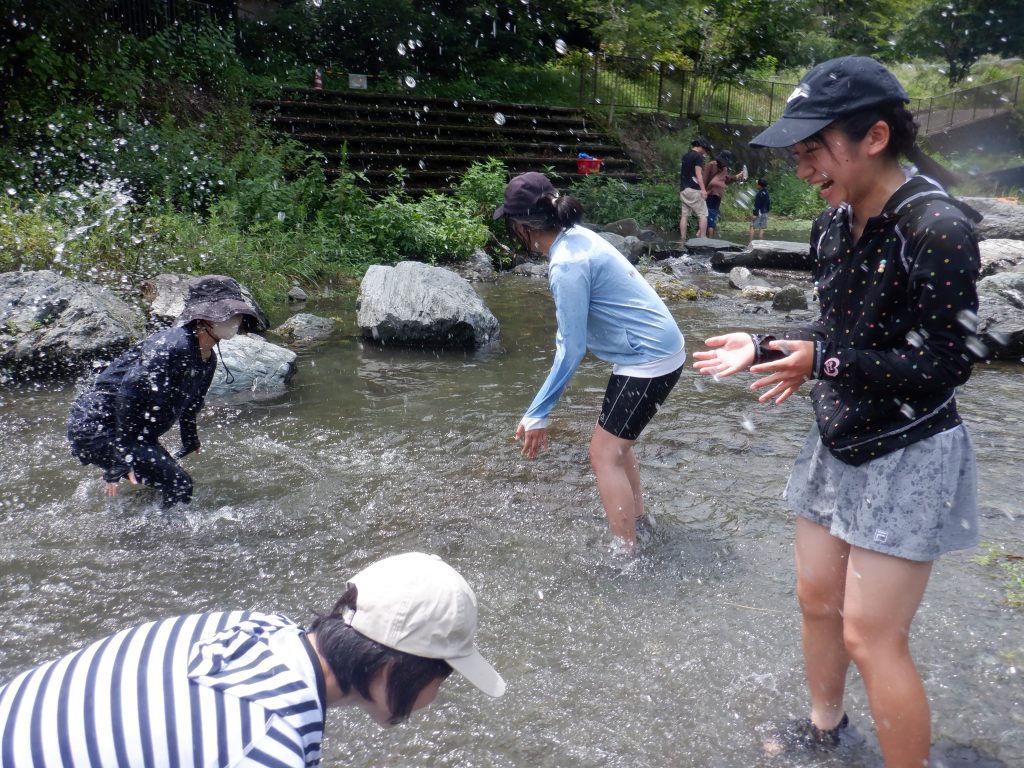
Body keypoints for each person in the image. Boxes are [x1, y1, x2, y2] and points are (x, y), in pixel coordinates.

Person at [693, 56, 981, 766]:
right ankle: (827, 732)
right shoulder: (833, 227)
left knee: (870, 636)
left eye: (814, 151)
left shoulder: (936, 228)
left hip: (910, 448)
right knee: (817, 599)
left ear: (875, 136)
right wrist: (767, 345)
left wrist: (820, 364)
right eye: (798, 155)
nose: (804, 169)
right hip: (838, 434)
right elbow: (840, 332)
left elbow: (948, 366)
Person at [0, 551, 505, 766]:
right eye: (444, 676)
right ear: (396, 666)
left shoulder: (246, 625)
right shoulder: (269, 746)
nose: (436, 697)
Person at [495, 172, 686, 552]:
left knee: (602, 455)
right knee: (617, 447)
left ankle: (625, 555)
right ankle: (640, 526)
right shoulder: (579, 237)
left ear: (521, 227)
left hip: (648, 359)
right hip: (654, 352)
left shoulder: (565, 264)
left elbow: (571, 347)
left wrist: (538, 412)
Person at [67, 275, 257, 508]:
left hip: (132, 431)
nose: (236, 320)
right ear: (203, 319)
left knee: (168, 481)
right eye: (228, 313)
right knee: (180, 485)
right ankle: (165, 540)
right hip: (100, 426)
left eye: (237, 314)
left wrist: (189, 438)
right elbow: (129, 389)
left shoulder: (208, 359)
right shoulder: (173, 344)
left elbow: (192, 403)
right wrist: (122, 453)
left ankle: (139, 522)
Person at [702, 150, 746, 238]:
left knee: (708, 214)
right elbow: (725, 180)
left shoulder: (716, 166)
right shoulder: (717, 166)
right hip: (714, 193)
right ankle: (707, 237)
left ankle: (706, 238)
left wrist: (703, 191)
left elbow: (706, 179)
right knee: (711, 214)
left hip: (712, 193)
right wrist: (737, 177)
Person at [678, 137, 712, 245]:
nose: (705, 152)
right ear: (701, 147)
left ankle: (682, 238)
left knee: (684, 215)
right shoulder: (699, 157)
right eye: (705, 150)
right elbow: (698, 174)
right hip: (694, 190)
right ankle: (702, 239)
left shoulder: (686, 156)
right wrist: (703, 190)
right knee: (703, 214)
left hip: (683, 189)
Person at [749, 177, 771, 242]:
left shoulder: (758, 194)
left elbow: (757, 205)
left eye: (757, 184)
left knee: (752, 226)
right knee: (762, 228)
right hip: (765, 213)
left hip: (758, 213)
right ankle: (760, 244)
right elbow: (768, 203)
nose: (756, 185)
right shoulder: (767, 193)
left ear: (759, 185)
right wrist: (767, 211)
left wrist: (755, 214)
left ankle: (750, 243)